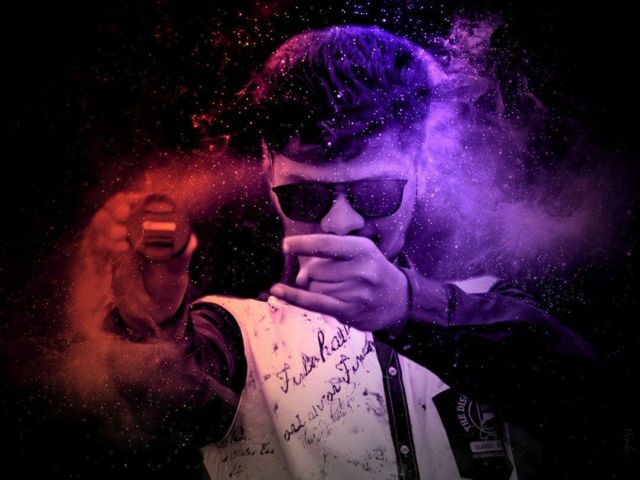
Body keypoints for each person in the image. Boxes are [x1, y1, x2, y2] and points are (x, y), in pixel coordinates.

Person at [75, 25, 600, 479]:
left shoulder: (490, 310)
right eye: (305, 196)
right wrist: (148, 319)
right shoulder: (234, 336)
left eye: (375, 193)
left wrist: (410, 308)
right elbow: (161, 400)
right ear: (267, 169)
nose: (339, 223)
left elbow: (591, 400)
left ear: (419, 165)